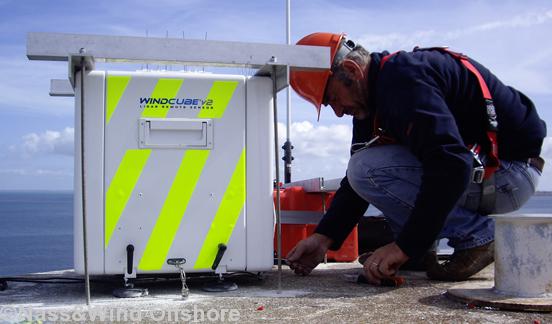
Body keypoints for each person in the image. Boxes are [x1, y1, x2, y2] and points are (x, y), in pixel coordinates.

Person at [286, 32, 546, 284]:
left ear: (352, 71)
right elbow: (355, 184)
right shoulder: (372, 102)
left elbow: (451, 164)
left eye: (332, 99)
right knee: (365, 168)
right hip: (489, 174)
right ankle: (420, 252)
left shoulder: (404, 82)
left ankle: (478, 236)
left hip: (510, 173)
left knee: (366, 168)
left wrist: (404, 246)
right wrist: (324, 237)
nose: (339, 112)